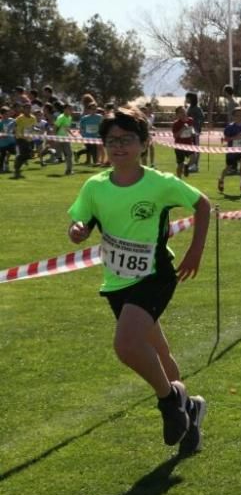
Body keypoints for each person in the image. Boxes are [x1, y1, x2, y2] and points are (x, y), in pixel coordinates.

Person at [67, 107, 211, 454]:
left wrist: (195, 252)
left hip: (155, 274)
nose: (119, 147)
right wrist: (78, 230)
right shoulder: (94, 186)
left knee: (127, 345)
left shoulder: (159, 183)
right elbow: (79, 225)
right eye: (112, 140)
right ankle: (190, 409)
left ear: (144, 143)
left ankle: (170, 401)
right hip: (116, 281)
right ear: (103, 145)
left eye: (127, 139)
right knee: (158, 351)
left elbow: (203, 205)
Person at [219, 107, 241, 194]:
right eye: (237, 115)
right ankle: (221, 179)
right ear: (233, 116)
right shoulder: (230, 127)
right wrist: (235, 137)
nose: (239, 117)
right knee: (228, 167)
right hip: (232, 151)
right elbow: (225, 139)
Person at [12, 102, 37, 179]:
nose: (28, 110)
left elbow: (33, 127)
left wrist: (37, 129)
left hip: (29, 139)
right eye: (27, 108)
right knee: (25, 154)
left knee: (29, 155)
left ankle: (17, 163)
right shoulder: (20, 118)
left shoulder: (33, 118)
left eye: (29, 108)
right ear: (23, 109)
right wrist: (13, 131)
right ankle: (17, 168)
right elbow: (13, 124)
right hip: (20, 138)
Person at [171, 106, 196, 178]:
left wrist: (193, 132)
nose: (183, 113)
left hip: (188, 144)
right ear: (177, 115)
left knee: (194, 158)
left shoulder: (190, 120)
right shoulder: (176, 124)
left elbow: (192, 128)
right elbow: (175, 136)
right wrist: (183, 128)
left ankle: (186, 166)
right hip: (179, 146)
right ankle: (179, 179)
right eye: (181, 112)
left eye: (184, 111)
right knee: (180, 164)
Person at [77, 102, 103, 166]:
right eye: (92, 109)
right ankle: (91, 161)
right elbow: (80, 127)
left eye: (95, 109)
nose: (93, 110)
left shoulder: (100, 117)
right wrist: (83, 134)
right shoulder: (84, 118)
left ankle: (94, 162)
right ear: (89, 110)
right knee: (90, 149)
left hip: (96, 137)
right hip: (87, 137)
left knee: (93, 150)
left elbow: (102, 126)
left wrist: (101, 133)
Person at [185, 92, 205, 173]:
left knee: (196, 148)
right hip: (189, 131)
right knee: (192, 148)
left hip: (195, 131)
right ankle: (192, 164)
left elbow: (202, 118)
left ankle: (195, 165)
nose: (186, 99)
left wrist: (197, 127)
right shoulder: (189, 108)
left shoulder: (197, 108)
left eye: (187, 98)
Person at [53, 101, 74, 175]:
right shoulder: (61, 117)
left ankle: (69, 170)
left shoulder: (70, 117)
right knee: (60, 154)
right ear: (64, 109)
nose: (71, 111)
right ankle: (54, 157)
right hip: (59, 138)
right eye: (69, 109)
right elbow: (55, 127)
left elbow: (67, 127)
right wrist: (55, 137)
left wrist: (72, 135)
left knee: (69, 154)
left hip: (66, 138)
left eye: (71, 109)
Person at [0, 106, 16, 173]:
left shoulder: (12, 120)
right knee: (2, 156)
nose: (8, 114)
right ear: (2, 114)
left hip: (11, 141)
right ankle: (1, 169)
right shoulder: (0, 122)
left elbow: (15, 129)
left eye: (8, 113)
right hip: (2, 143)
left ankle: (8, 164)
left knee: (15, 152)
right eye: (6, 113)